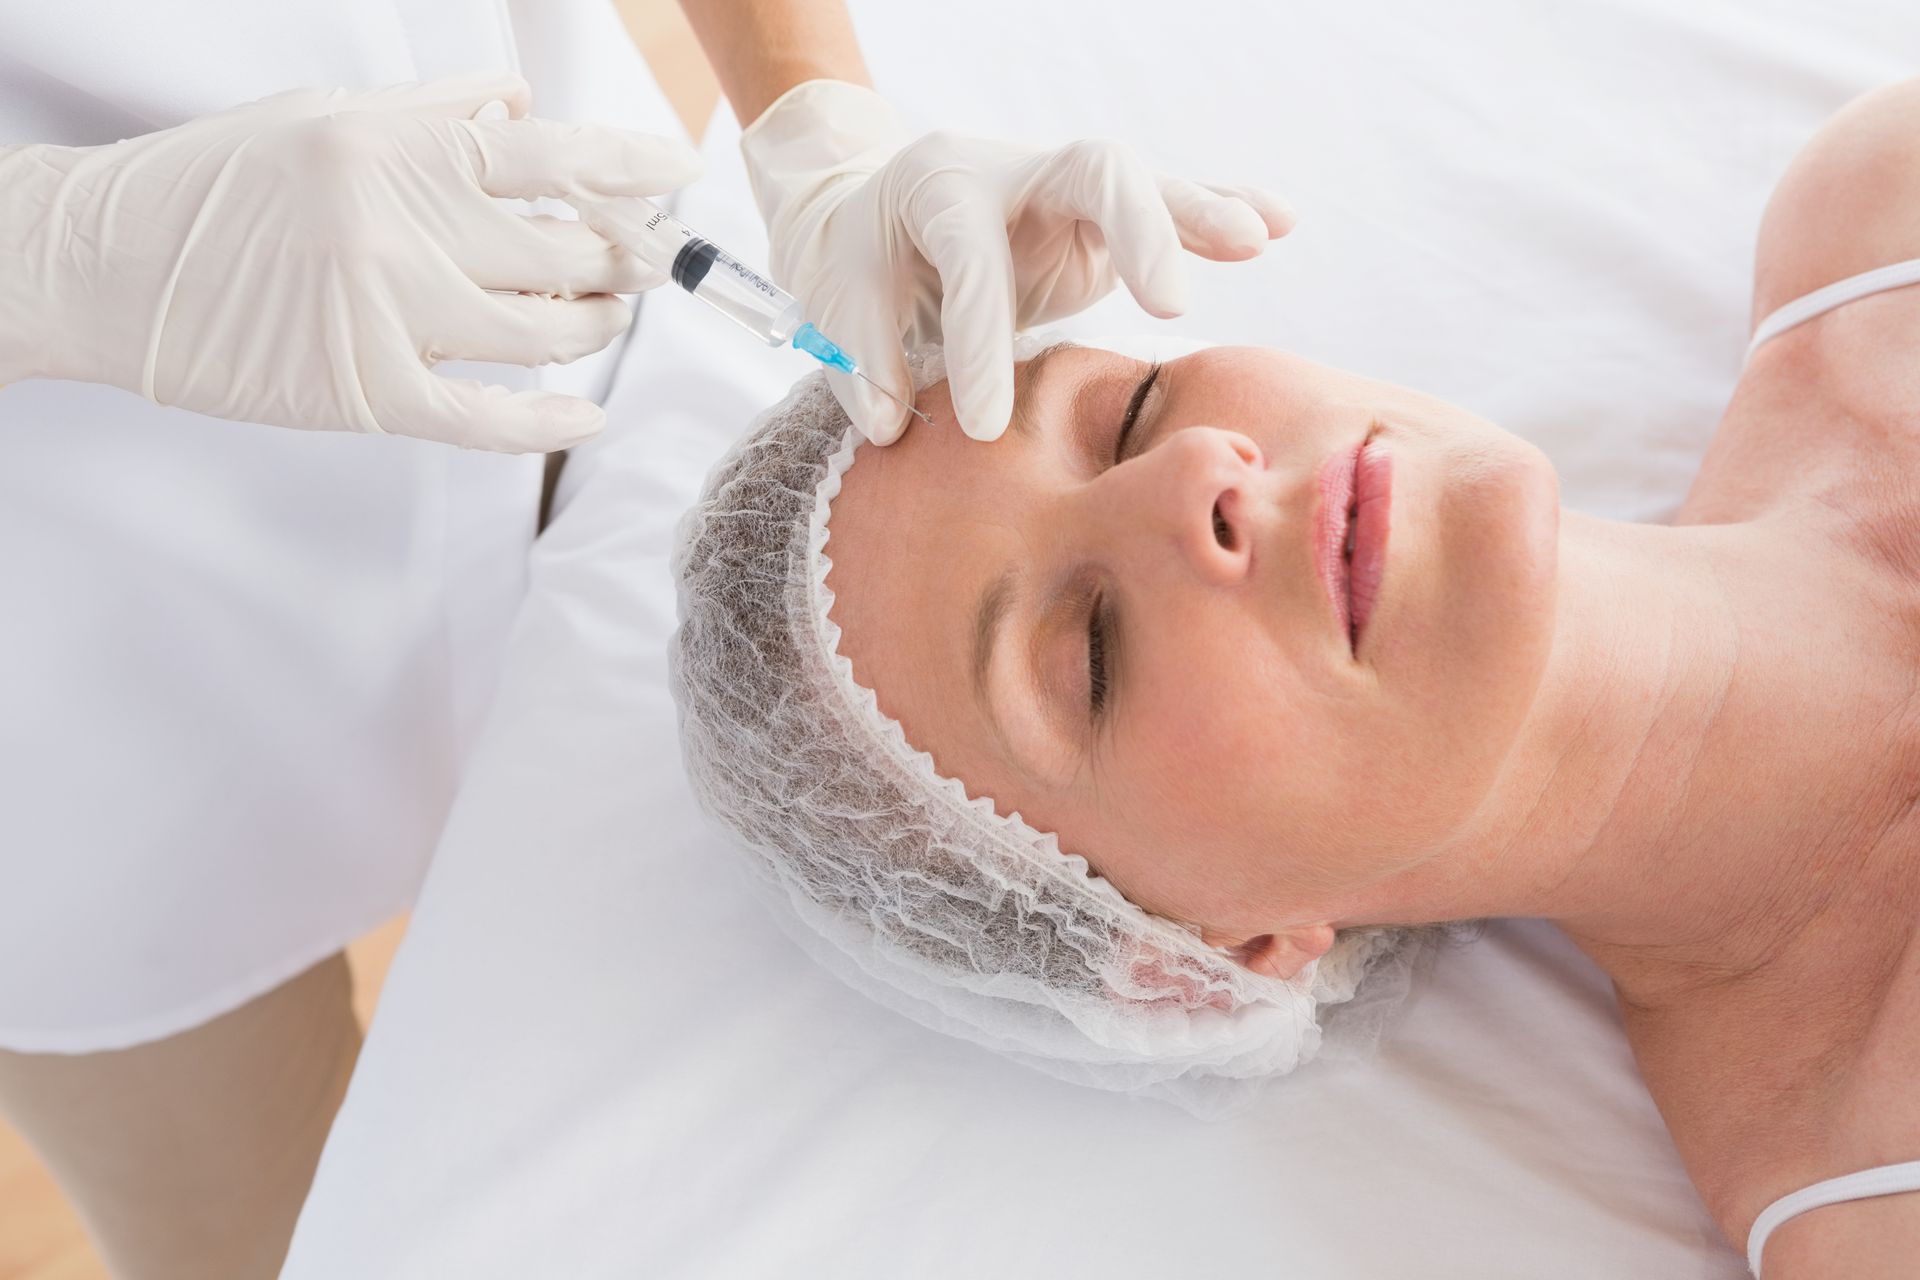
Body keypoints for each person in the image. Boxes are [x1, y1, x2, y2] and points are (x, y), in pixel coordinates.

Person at [0, 3, 1287, 1275]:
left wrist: (808, 109)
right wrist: (54, 262)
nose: (1205, 478)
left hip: (568, 273)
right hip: (83, 678)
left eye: (1127, 405)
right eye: (1132, 421)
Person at [670, 76, 1920, 1278]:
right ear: (1207, 952)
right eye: (1092, 654)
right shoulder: (1883, 1207)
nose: (1197, 471)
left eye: (1134, 412)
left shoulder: (1881, 208)